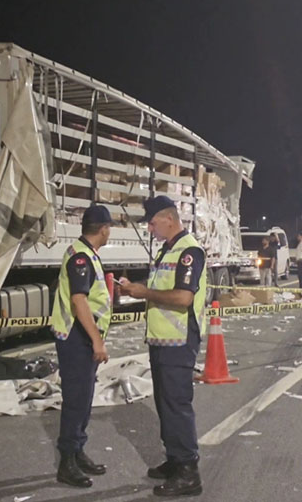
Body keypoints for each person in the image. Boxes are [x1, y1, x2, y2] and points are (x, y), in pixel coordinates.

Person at [119, 196, 206, 497]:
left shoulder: (189, 251)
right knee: (164, 404)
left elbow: (183, 297)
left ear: (169, 219)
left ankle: (188, 473)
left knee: (176, 405)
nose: (150, 228)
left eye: (153, 223)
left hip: (178, 342)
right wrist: (136, 289)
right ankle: (175, 459)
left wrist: (144, 292)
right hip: (162, 340)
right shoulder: (167, 250)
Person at [50, 205, 114, 488]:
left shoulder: (86, 253)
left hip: (81, 336)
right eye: (109, 228)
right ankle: (67, 462)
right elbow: (79, 301)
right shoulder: (81, 258)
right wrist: (97, 340)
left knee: (84, 398)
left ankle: (77, 452)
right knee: (76, 400)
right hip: (76, 338)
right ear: (104, 229)